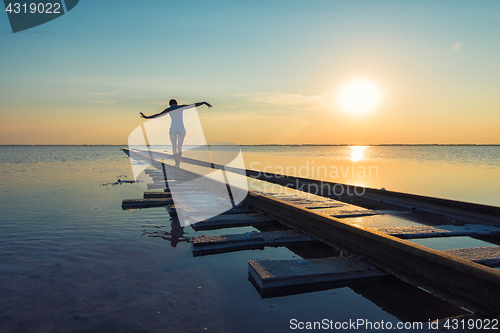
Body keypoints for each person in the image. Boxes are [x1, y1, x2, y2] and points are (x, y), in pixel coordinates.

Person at [140, 99, 212, 167]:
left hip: (173, 130)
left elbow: (158, 115)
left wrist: (146, 117)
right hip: (181, 129)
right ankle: (178, 163)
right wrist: (204, 103)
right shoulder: (181, 107)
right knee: (180, 147)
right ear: (176, 103)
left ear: (170, 104)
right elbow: (193, 105)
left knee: (174, 147)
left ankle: (176, 163)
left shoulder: (169, 109)